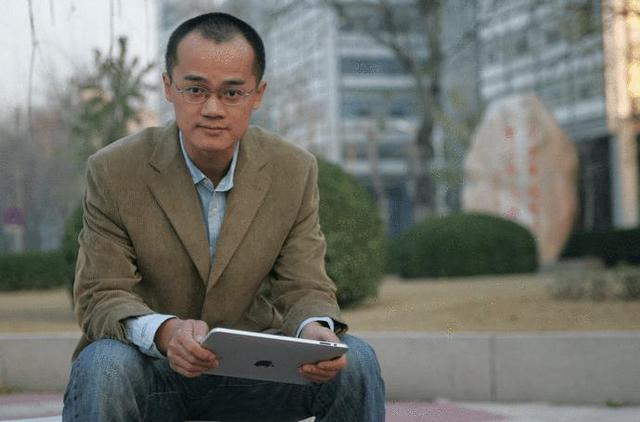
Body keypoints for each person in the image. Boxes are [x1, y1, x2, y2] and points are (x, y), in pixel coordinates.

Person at [63, 12, 385, 422]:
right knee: (103, 365)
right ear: (169, 87)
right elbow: (101, 294)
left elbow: (303, 285)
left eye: (232, 93)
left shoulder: (293, 169)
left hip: (256, 373)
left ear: (258, 94)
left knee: (355, 360)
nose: (213, 108)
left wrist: (313, 331)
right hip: (152, 368)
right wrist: (165, 332)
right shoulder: (115, 170)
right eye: (195, 89)